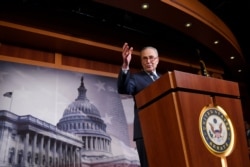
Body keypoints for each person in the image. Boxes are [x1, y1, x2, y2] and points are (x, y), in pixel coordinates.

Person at [117, 42, 160, 167]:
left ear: (157, 60)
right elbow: (123, 89)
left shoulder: (166, 79)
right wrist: (125, 65)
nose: (148, 61)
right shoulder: (136, 78)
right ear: (141, 62)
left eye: (151, 57)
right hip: (145, 133)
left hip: (165, 130)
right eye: (144, 58)